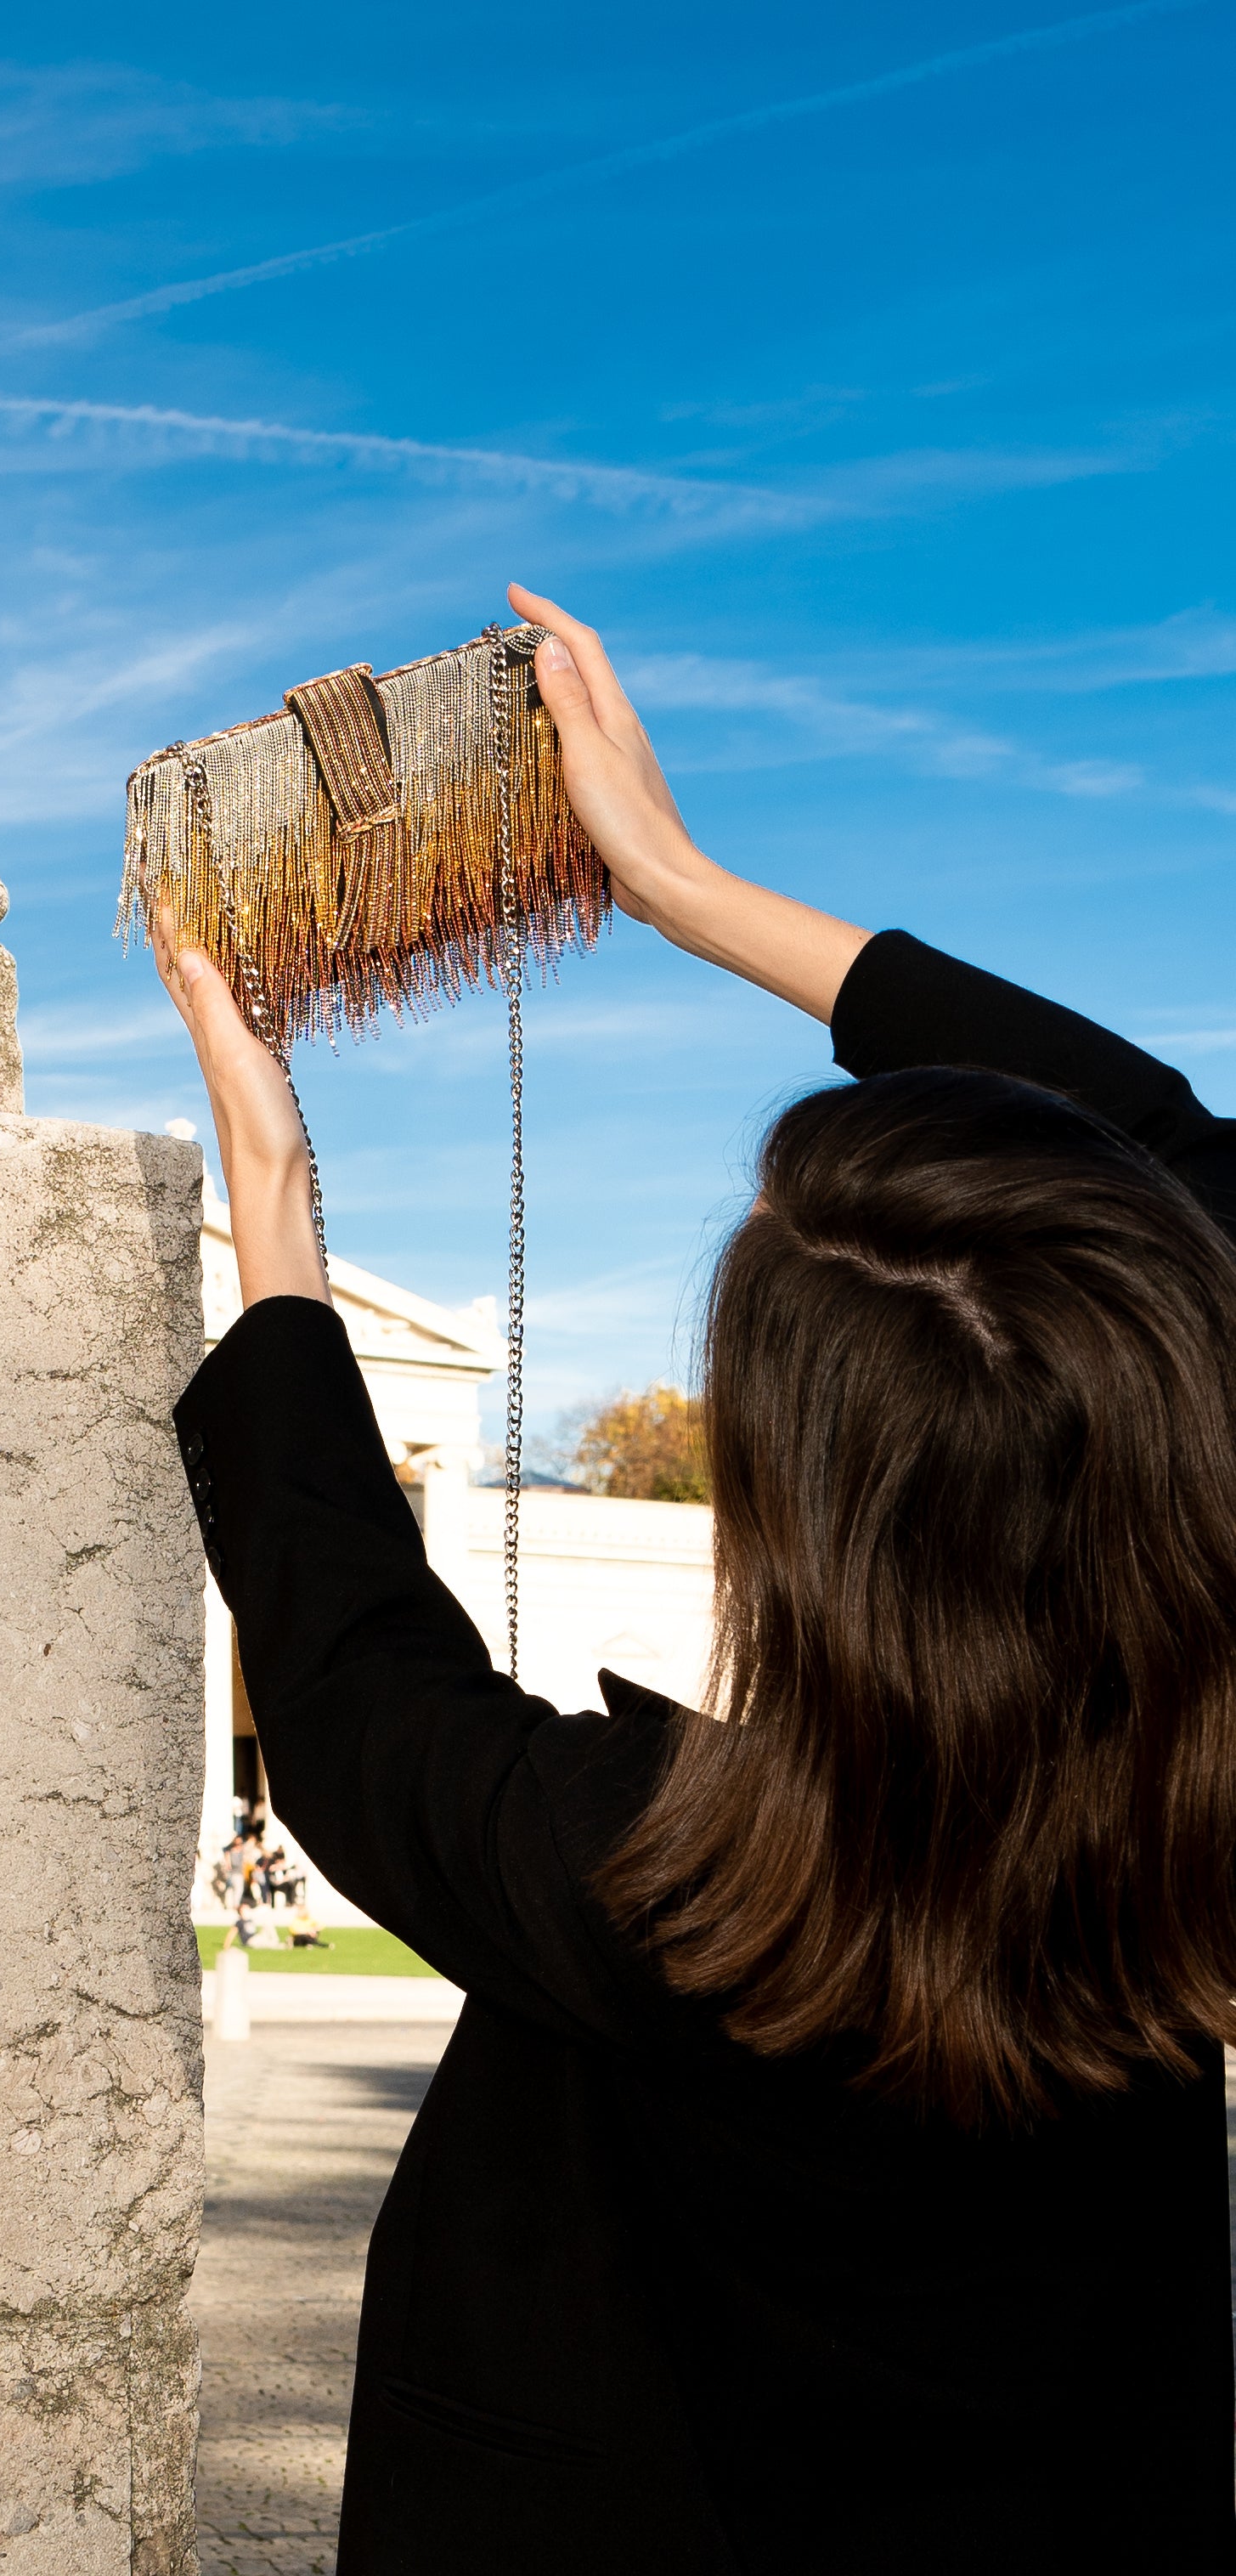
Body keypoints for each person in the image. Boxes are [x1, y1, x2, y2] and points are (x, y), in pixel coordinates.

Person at [155, 583, 1236, 2573]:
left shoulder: (638, 1892)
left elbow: (345, 1667)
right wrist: (673, 880)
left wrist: (269, 1170)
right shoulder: (1177, 1900)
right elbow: (1168, 1162)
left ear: (791, 1503)